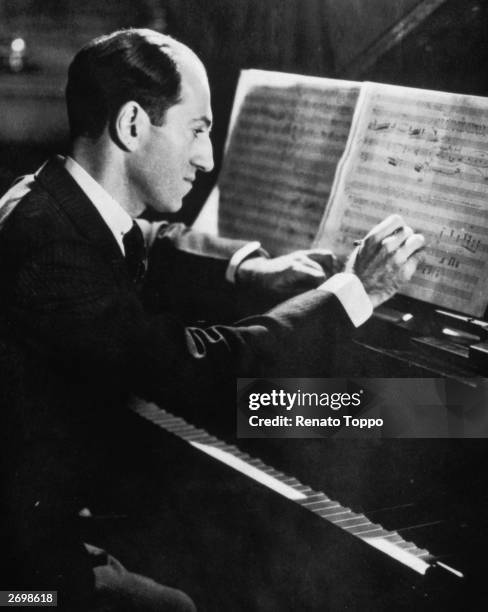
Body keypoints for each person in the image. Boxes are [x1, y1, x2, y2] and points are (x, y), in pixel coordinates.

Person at [0, 28, 424, 611]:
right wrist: (354, 290)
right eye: (197, 130)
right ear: (131, 125)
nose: (206, 157)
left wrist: (251, 270)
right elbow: (210, 373)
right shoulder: (57, 257)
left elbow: (146, 236)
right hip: (23, 579)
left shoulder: (50, 199)